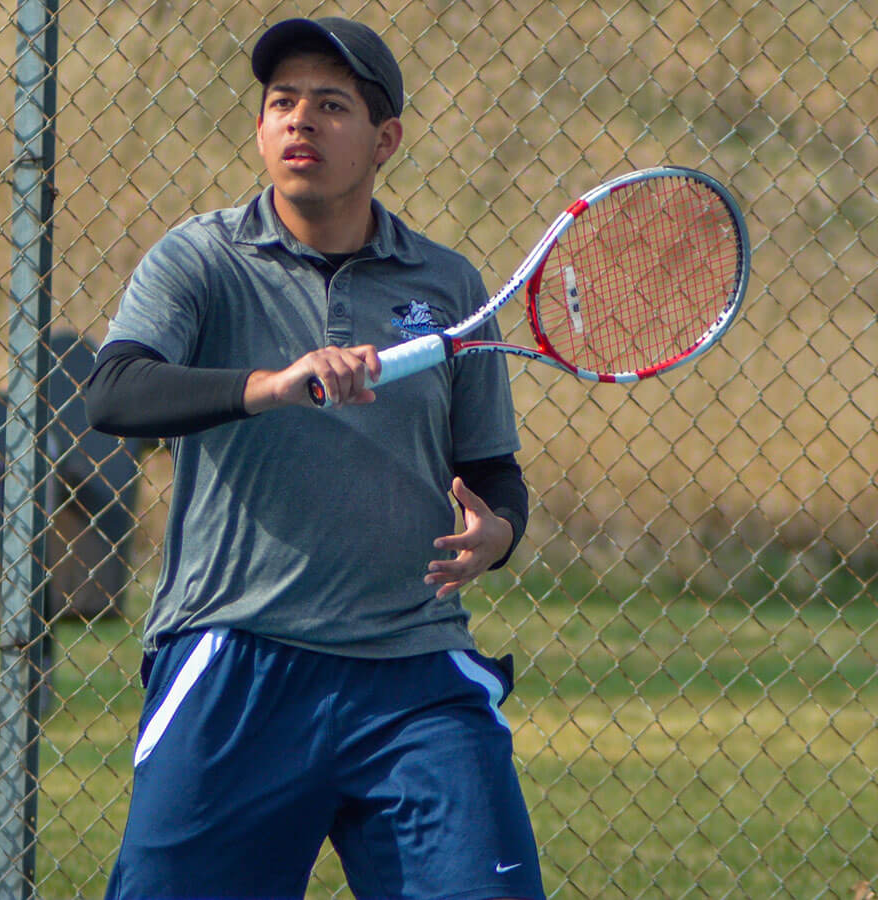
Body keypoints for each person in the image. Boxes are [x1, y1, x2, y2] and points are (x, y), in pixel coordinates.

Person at [84, 16, 546, 900]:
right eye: (282, 102)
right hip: (237, 660)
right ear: (259, 127)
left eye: (331, 106)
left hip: (413, 673)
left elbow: (493, 471)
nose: (300, 122)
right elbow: (114, 393)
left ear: (385, 141)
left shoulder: (447, 288)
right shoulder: (203, 259)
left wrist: (500, 533)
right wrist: (269, 383)